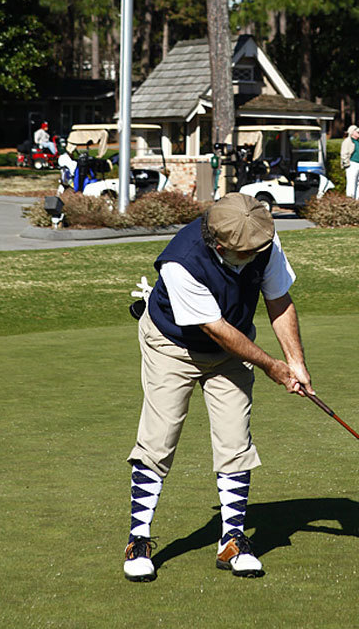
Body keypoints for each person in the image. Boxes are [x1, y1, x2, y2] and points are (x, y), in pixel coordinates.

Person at [123, 192, 313, 583]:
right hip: (172, 346)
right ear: (221, 245)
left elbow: (278, 298)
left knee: (235, 440)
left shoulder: (261, 238)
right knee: (159, 438)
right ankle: (137, 539)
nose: (254, 257)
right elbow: (216, 330)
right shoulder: (181, 263)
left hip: (232, 348)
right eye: (244, 253)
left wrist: (296, 362)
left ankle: (233, 540)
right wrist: (273, 367)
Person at [340, 124, 359, 199]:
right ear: (352, 133)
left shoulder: (358, 142)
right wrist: (347, 163)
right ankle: (350, 200)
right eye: (357, 132)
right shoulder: (347, 141)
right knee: (351, 183)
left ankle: (356, 200)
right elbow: (344, 153)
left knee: (358, 183)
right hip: (352, 164)